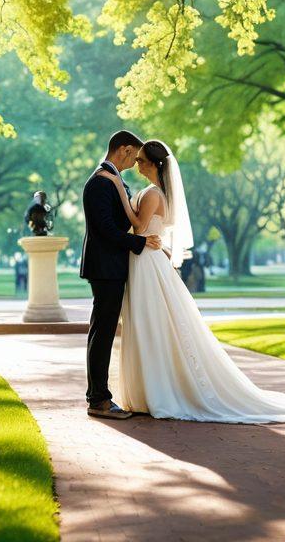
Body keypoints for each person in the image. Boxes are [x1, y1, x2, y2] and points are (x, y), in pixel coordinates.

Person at [98, 139, 285, 424]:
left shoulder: (152, 194)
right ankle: (150, 390)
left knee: (150, 323)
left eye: (141, 161)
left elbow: (138, 226)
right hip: (146, 259)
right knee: (149, 324)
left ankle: (156, 392)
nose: (136, 165)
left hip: (147, 264)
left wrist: (120, 194)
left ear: (153, 164)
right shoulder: (159, 193)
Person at [79, 130, 162, 420]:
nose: (135, 161)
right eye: (134, 155)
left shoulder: (111, 178)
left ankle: (98, 396)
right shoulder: (101, 181)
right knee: (102, 332)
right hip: (105, 267)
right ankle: (98, 399)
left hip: (112, 266)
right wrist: (140, 242)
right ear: (124, 149)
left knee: (102, 331)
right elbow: (105, 229)